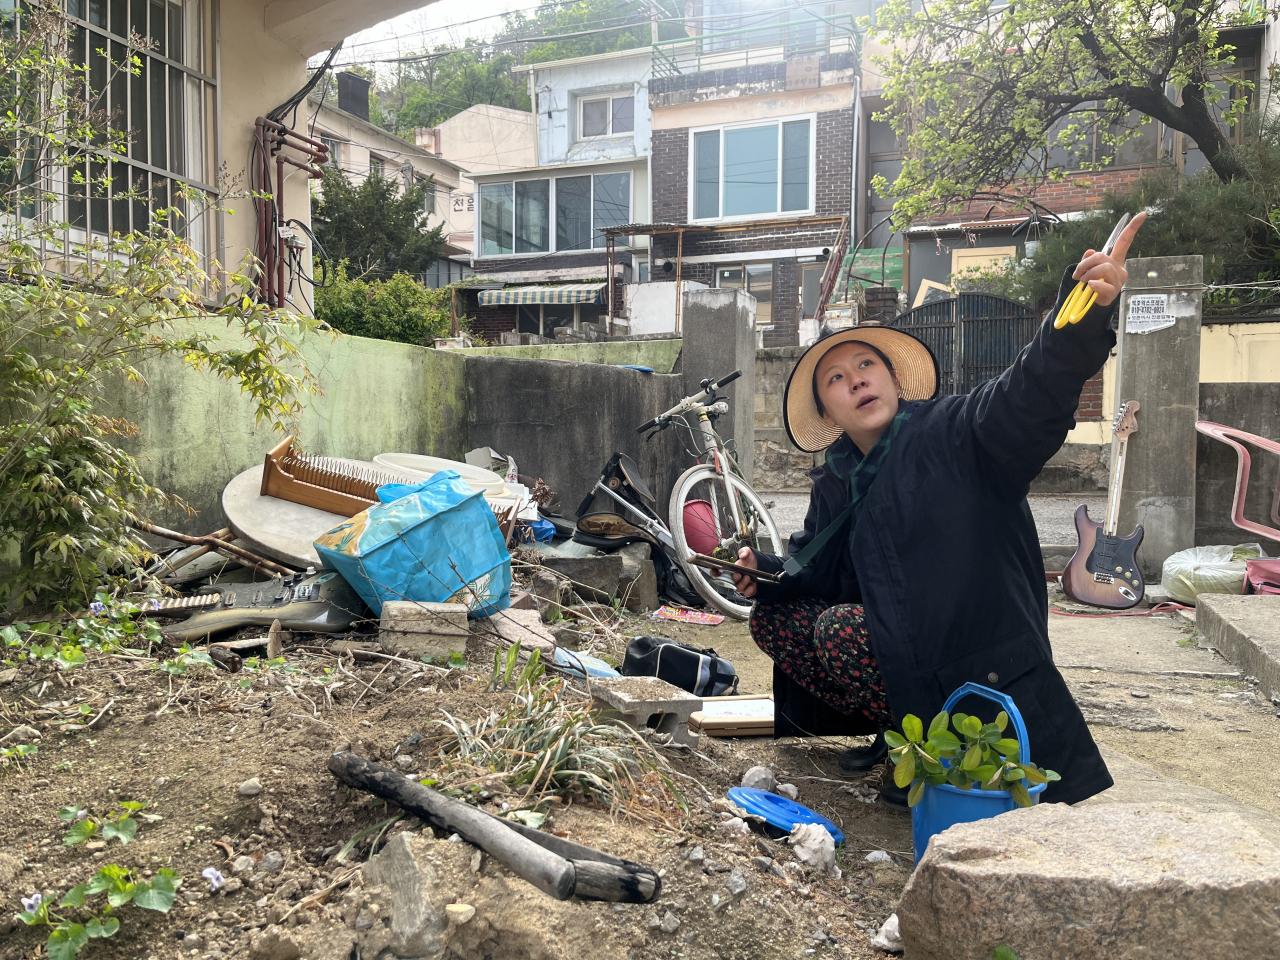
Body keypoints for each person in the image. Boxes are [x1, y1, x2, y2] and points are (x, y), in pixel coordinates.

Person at [730, 214, 1147, 808]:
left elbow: (1025, 396)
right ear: (827, 414)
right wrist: (762, 570)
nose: (856, 381)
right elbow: (813, 569)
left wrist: (1073, 326)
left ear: (895, 378)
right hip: (903, 648)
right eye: (836, 379)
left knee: (839, 631)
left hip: (976, 664)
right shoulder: (837, 478)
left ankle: (932, 751)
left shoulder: (957, 433)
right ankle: (896, 733)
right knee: (774, 621)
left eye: (866, 366)